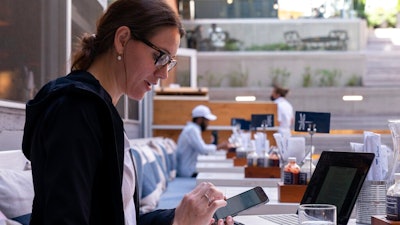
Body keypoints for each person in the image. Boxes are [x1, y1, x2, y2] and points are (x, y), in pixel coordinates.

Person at [21, 1, 233, 225]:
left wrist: (180, 218)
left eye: (169, 63)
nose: (163, 74)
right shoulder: (76, 110)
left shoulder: (100, 111)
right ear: (122, 40)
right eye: (160, 57)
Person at [176, 105, 232, 177]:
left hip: (188, 169)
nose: (208, 123)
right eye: (207, 120)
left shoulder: (192, 129)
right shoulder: (192, 130)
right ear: (199, 119)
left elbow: (201, 148)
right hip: (188, 172)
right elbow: (202, 149)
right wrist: (220, 146)